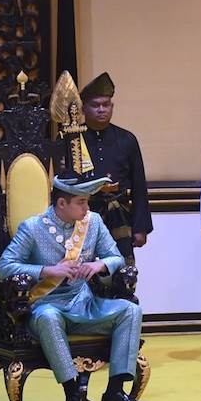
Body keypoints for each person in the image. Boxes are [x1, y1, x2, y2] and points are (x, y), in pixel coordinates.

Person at [0, 172, 148, 401]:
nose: (87, 208)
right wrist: (47, 270)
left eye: (87, 202)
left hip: (83, 303)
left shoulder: (93, 222)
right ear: (62, 203)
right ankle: (72, 392)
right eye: (82, 202)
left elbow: (116, 257)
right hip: (46, 306)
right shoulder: (33, 228)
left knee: (131, 310)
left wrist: (100, 265)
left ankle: (115, 392)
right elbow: (5, 267)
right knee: (49, 317)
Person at [79, 72, 153, 266]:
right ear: (83, 108)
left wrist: (141, 227)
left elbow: (139, 186)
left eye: (106, 104)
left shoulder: (127, 139)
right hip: (83, 214)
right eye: (95, 105)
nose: (101, 110)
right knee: (83, 269)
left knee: (121, 269)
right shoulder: (72, 139)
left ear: (112, 107)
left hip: (119, 213)